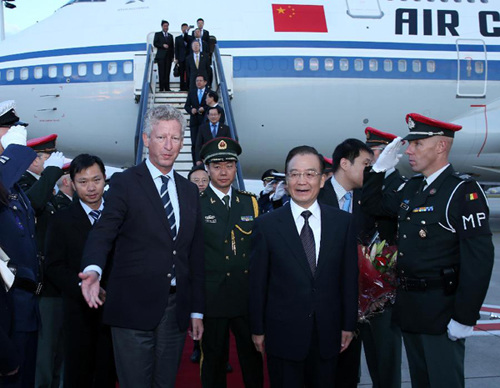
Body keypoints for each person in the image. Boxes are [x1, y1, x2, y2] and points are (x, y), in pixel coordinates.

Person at [362, 113, 494, 388]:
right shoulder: (412, 188)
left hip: (442, 312)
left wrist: (465, 318)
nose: (409, 150)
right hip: (411, 308)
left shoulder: (462, 191)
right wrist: (376, 172)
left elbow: (478, 260)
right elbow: (373, 206)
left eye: (417, 144)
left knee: (444, 380)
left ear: (440, 147)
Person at [80, 105, 205, 388]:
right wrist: (93, 269)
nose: (168, 145)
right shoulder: (125, 183)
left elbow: (194, 255)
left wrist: (197, 310)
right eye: (161, 137)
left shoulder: (188, 191)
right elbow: (104, 231)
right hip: (132, 308)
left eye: (175, 138)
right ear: (147, 139)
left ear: (182, 143)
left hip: (175, 311)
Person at [250, 145, 358, 388]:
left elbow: (349, 278)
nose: (302, 181)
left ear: (322, 180)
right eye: (294, 174)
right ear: (286, 180)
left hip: (329, 335)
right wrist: (257, 328)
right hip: (282, 336)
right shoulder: (266, 226)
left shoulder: (343, 223)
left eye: (310, 174)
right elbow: (258, 282)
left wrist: (348, 324)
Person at [45, 154, 116, 388]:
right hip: (78, 314)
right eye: (83, 182)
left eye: (96, 179)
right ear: (72, 184)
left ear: (105, 179)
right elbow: (54, 266)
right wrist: (82, 288)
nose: (91, 187)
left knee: (112, 374)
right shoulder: (62, 220)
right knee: (79, 375)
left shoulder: (119, 215)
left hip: (117, 312)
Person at [199, 137, 263, 388]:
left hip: (245, 295)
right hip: (212, 295)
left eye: (228, 165)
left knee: (252, 357)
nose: (223, 171)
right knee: (213, 358)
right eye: (216, 166)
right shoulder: (197, 203)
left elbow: (258, 249)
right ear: (207, 169)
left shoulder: (250, 202)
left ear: (236, 167)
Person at [317, 138, 373, 388]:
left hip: (355, 307)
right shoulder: (316, 197)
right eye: (365, 164)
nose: (369, 170)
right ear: (344, 163)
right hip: (321, 307)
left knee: (348, 376)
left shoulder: (368, 200)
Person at [17, 134, 66, 388]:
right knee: (44, 354)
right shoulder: (23, 182)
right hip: (41, 284)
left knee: (57, 351)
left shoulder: (46, 186)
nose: (50, 162)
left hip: (55, 281)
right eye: (46, 157)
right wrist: (51, 174)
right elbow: (32, 204)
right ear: (35, 160)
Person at [360, 127, 404, 388]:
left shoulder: (400, 186)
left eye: (374, 152)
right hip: (365, 281)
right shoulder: (369, 183)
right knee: (372, 352)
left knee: (387, 356)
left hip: (388, 285)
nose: (369, 158)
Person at [0, 101, 39, 388]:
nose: (15, 133)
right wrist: (12, 155)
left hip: (24, 305)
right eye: (8, 128)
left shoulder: (13, 184)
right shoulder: (6, 173)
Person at [184, 75, 209, 163]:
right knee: (194, 144)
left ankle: (205, 163)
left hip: (205, 121)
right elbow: (186, 106)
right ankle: (195, 164)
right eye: (197, 81)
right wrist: (191, 110)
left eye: (200, 81)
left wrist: (204, 108)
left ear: (205, 82)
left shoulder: (209, 92)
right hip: (194, 121)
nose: (198, 82)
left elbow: (212, 105)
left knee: (204, 143)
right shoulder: (192, 92)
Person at [153, 20, 175, 92]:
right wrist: (162, 45)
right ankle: (161, 88)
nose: (166, 27)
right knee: (161, 72)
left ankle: (167, 87)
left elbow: (172, 47)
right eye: (165, 26)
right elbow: (155, 43)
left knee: (167, 72)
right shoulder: (158, 34)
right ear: (162, 26)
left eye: (167, 26)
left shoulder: (170, 36)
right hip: (161, 57)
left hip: (168, 57)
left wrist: (172, 57)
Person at [174, 23, 192, 91]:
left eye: (186, 28)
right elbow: (176, 49)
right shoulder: (177, 38)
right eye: (184, 28)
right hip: (181, 58)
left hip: (189, 58)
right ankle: (181, 87)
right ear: (181, 29)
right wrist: (176, 58)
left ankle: (188, 86)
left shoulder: (190, 37)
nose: (185, 29)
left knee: (188, 73)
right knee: (181, 73)